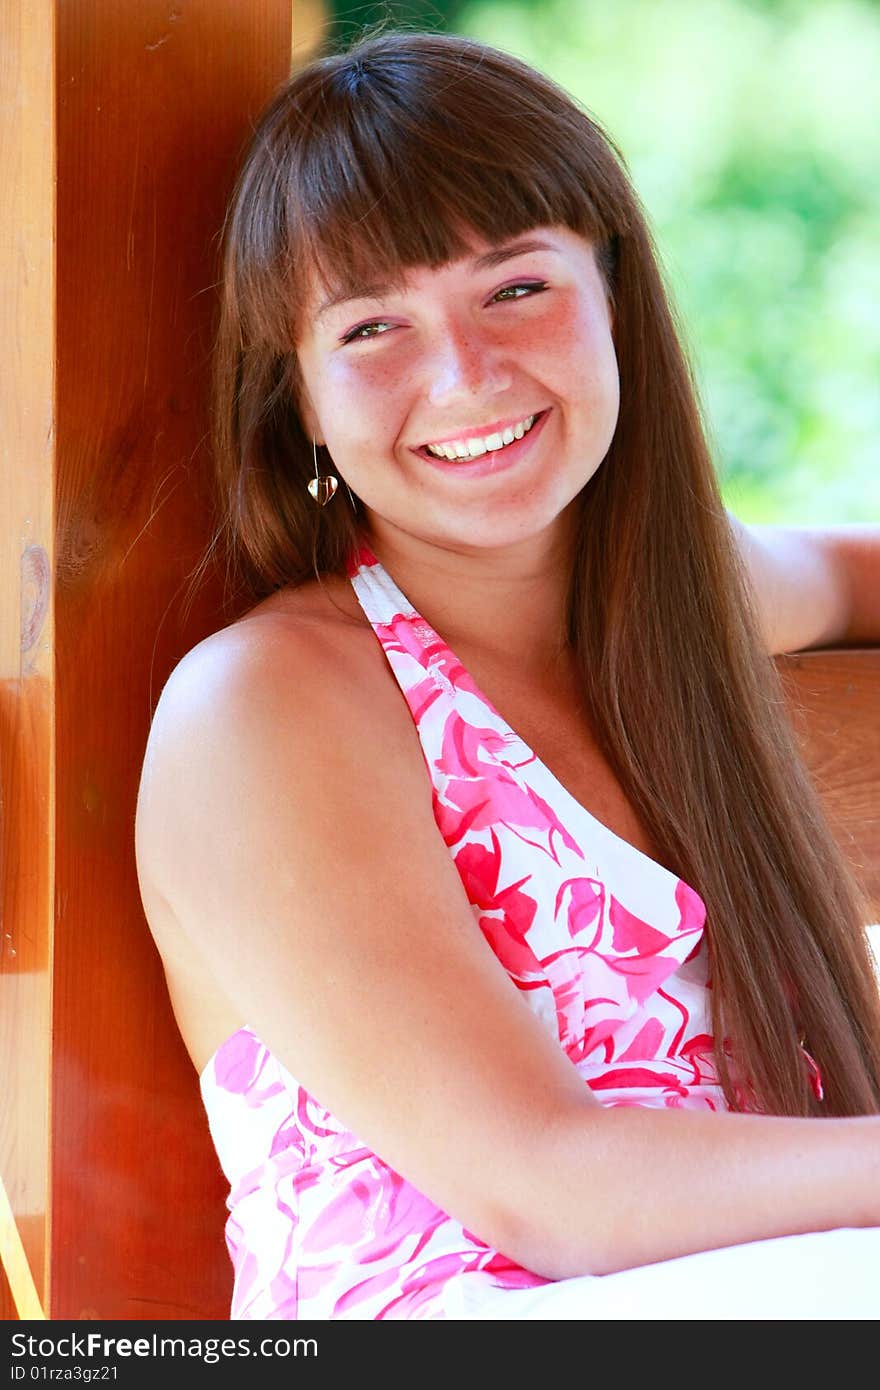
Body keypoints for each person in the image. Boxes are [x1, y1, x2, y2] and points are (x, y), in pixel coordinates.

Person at [134, 28, 880, 1320]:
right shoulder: (265, 705)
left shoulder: (687, 604)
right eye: (373, 326)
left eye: (516, 287)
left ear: (613, 298)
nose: (466, 373)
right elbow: (549, 1180)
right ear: (301, 398)